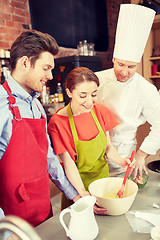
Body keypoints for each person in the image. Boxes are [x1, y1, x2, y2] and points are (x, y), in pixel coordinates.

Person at [0, 30, 79, 227]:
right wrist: (4, 228)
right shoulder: (2, 105)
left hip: (43, 208)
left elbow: (49, 158)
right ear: (25, 63)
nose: (50, 76)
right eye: (46, 68)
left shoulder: (36, 106)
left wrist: (75, 195)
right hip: (13, 220)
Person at [48, 67, 131, 213]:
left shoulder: (100, 111)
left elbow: (108, 147)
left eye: (93, 94)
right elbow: (69, 165)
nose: (89, 102)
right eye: (82, 95)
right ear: (69, 92)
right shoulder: (58, 123)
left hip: (103, 185)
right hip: (78, 187)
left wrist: (120, 161)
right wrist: (82, 195)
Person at [95, 4, 160, 178]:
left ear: (138, 64)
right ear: (114, 59)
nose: (124, 72)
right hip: (92, 150)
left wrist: (141, 155)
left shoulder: (147, 89)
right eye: (121, 64)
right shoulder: (96, 79)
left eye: (131, 67)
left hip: (124, 153)